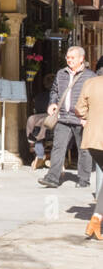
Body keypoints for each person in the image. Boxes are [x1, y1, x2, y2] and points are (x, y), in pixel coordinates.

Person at [41, 45, 95, 188]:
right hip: (63, 118)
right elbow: (54, 90)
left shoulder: (90, 76)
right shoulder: (61, 74)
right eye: (68, 57)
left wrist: (88, 117)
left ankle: (84, 180)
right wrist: (52, 103)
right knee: (58, 148)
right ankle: (52, 178)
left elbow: (94, 98)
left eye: (72, 58)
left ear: (81, 59)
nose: (69, 60)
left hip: (81, 120)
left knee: (84, 150)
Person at [70, 74, 103, 239]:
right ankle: (96, 219)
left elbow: (79, 109)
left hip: (93, 139)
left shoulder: (91, 83)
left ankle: (96, 219)